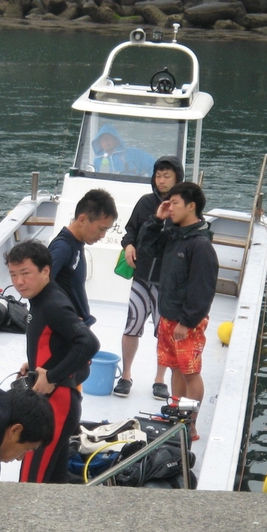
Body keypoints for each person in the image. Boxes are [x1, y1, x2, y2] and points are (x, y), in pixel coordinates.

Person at [8, 240, 100, 483]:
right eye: (14, 274)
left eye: (25, 273)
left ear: (46, 271)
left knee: (31, 481)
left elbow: (89, 343)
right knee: (54, 482)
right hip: (50, 403)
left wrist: (52, 376)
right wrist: (34, 362)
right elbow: (59, 340)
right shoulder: (40, 298)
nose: (19, 282)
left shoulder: (53, 304)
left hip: (57, 404)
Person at [140, 182, 218, 441]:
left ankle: (190, 424)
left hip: (187, 322)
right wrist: (156, 219)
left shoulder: (200, 244)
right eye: (168, 203)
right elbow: (148, 248)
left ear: (191, 206)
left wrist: (187, 320)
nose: (169, 207)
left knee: (190, 371)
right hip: (167, 316)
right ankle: (176, 414)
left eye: (174, 203)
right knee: (174, 368)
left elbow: (203, 288)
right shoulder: (174, 234)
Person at [114, 156, 184, 399]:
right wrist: (128, 245)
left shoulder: (182, 205)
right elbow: (130, 231)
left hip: (167, 283)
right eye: (158, 175)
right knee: (132, 325)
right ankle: (126, 375)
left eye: (167, 176)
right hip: (142, 276)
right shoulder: (145, 203)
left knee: (164, 332)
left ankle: (159, 379)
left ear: (177, 178)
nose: (161, 180)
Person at [48, 188, 117, 327]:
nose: (103, 235)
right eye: (101, 229)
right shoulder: (63, 248)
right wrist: (64, 318)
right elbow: (41, 287)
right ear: (82, 220)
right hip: (66, 330)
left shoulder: (76, 244)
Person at [91, 124, 156, 177]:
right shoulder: (97, 160)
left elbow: (154, 166)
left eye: (109, 137)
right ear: (99, 142)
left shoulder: (134, 153)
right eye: (103, 139)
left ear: (116, 139)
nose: (106, 141)